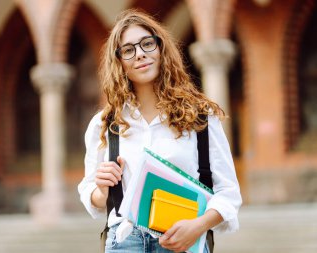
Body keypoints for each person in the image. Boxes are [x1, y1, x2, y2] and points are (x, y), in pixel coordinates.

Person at [78, 9, 242, 253]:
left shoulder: (200, 117)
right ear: (119, 62)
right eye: (129, 50)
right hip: (125, 243)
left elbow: (229, 193)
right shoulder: (105, 124)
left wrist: (198, 226)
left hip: (182, 241)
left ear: (161, 48)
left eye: (147, 44)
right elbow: (90, 192)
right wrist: (102, 191)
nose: (140, 54)